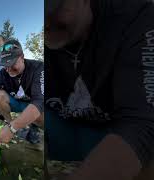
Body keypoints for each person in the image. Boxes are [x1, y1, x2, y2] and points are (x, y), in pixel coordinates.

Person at [46, 0, 154, 180]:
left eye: (54, 9)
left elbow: (143, 124)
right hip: (61, 127)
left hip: (113, 132)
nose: (45, 24)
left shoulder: (137, 15)